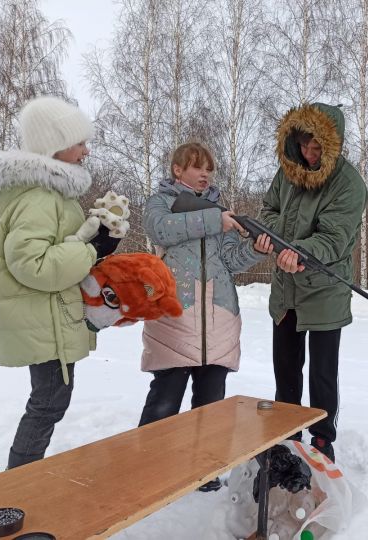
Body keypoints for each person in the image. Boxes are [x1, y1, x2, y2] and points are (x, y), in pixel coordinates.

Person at [0, 96, 119, 469]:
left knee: (50, 401)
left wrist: (101, 243)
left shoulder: (53, 196)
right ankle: (19, 482)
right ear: (54, 146)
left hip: (49, 319)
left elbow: (62, 251)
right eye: (79, 142)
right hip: (42, 322)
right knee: (47, 403)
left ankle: (22, 478)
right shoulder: (40, 198)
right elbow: (32, 264)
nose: (87, 150)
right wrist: (92, 250)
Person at [139, 142, 273, 491]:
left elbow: (230, 261)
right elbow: (160, 229)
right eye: (196, 167)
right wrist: (216, 219)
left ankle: (204, 472)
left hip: (218, 316)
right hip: (176, 315)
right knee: (165, 397)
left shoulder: (219, 210)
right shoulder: (161, 203)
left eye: (208, 169)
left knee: (211, 403)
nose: (204, 174)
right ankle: (145, 470)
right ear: (177, 170)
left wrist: (255, 250)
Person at [259, 103, 368, 463]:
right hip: (285, 291)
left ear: (332, 145)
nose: (309, 153)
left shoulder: (349, 184)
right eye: (304, 145)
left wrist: (298, 253)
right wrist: (268, 238)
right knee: (286, 368)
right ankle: (287, 437)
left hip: (324, 290)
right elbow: (269, 211)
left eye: (317, 147)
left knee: (323, 373)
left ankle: (322, 439)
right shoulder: (287, 172)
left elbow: (334, 238)